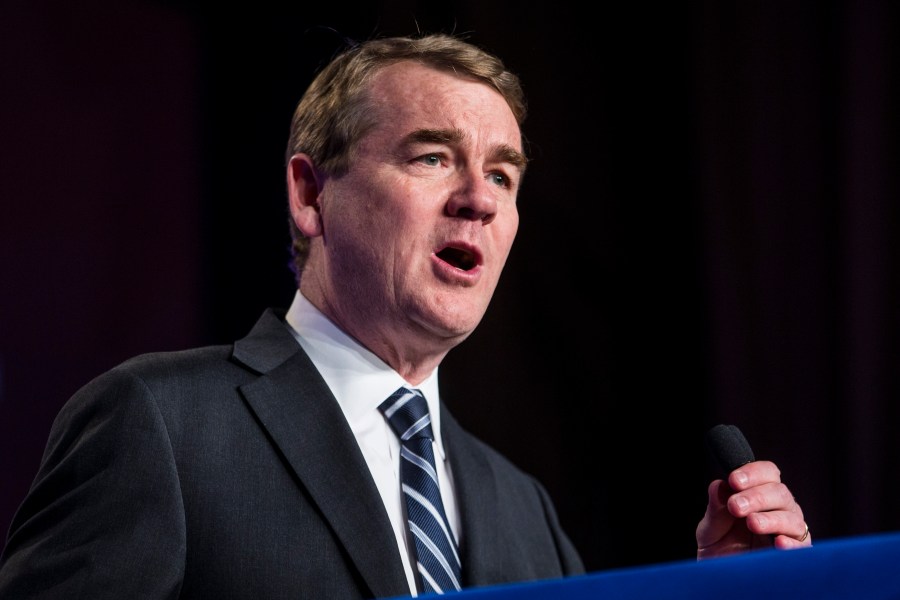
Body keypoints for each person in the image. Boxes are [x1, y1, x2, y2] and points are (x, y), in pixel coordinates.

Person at [0, 32, 811, 599]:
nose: (479, 201)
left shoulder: (519, 505)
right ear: (312, 194)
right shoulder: (163, 425)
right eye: (432, 157)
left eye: (503, 175)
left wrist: (718, 591)